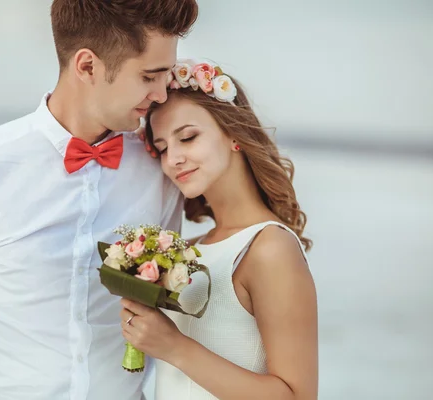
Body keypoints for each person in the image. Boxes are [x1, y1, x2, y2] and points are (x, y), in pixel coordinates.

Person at [0, 2, 198, 399]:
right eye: (148, 77)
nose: (161, 95)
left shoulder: (160, 171)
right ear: (87, 66)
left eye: (166, 76)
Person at [119, 60, 318, 400]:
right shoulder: (187, 250)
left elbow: (297, 396)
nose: (174, 159)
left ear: (234, 136)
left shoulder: (269, 248)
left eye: (188, 137)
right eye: (163, 148)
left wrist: (174, 347)